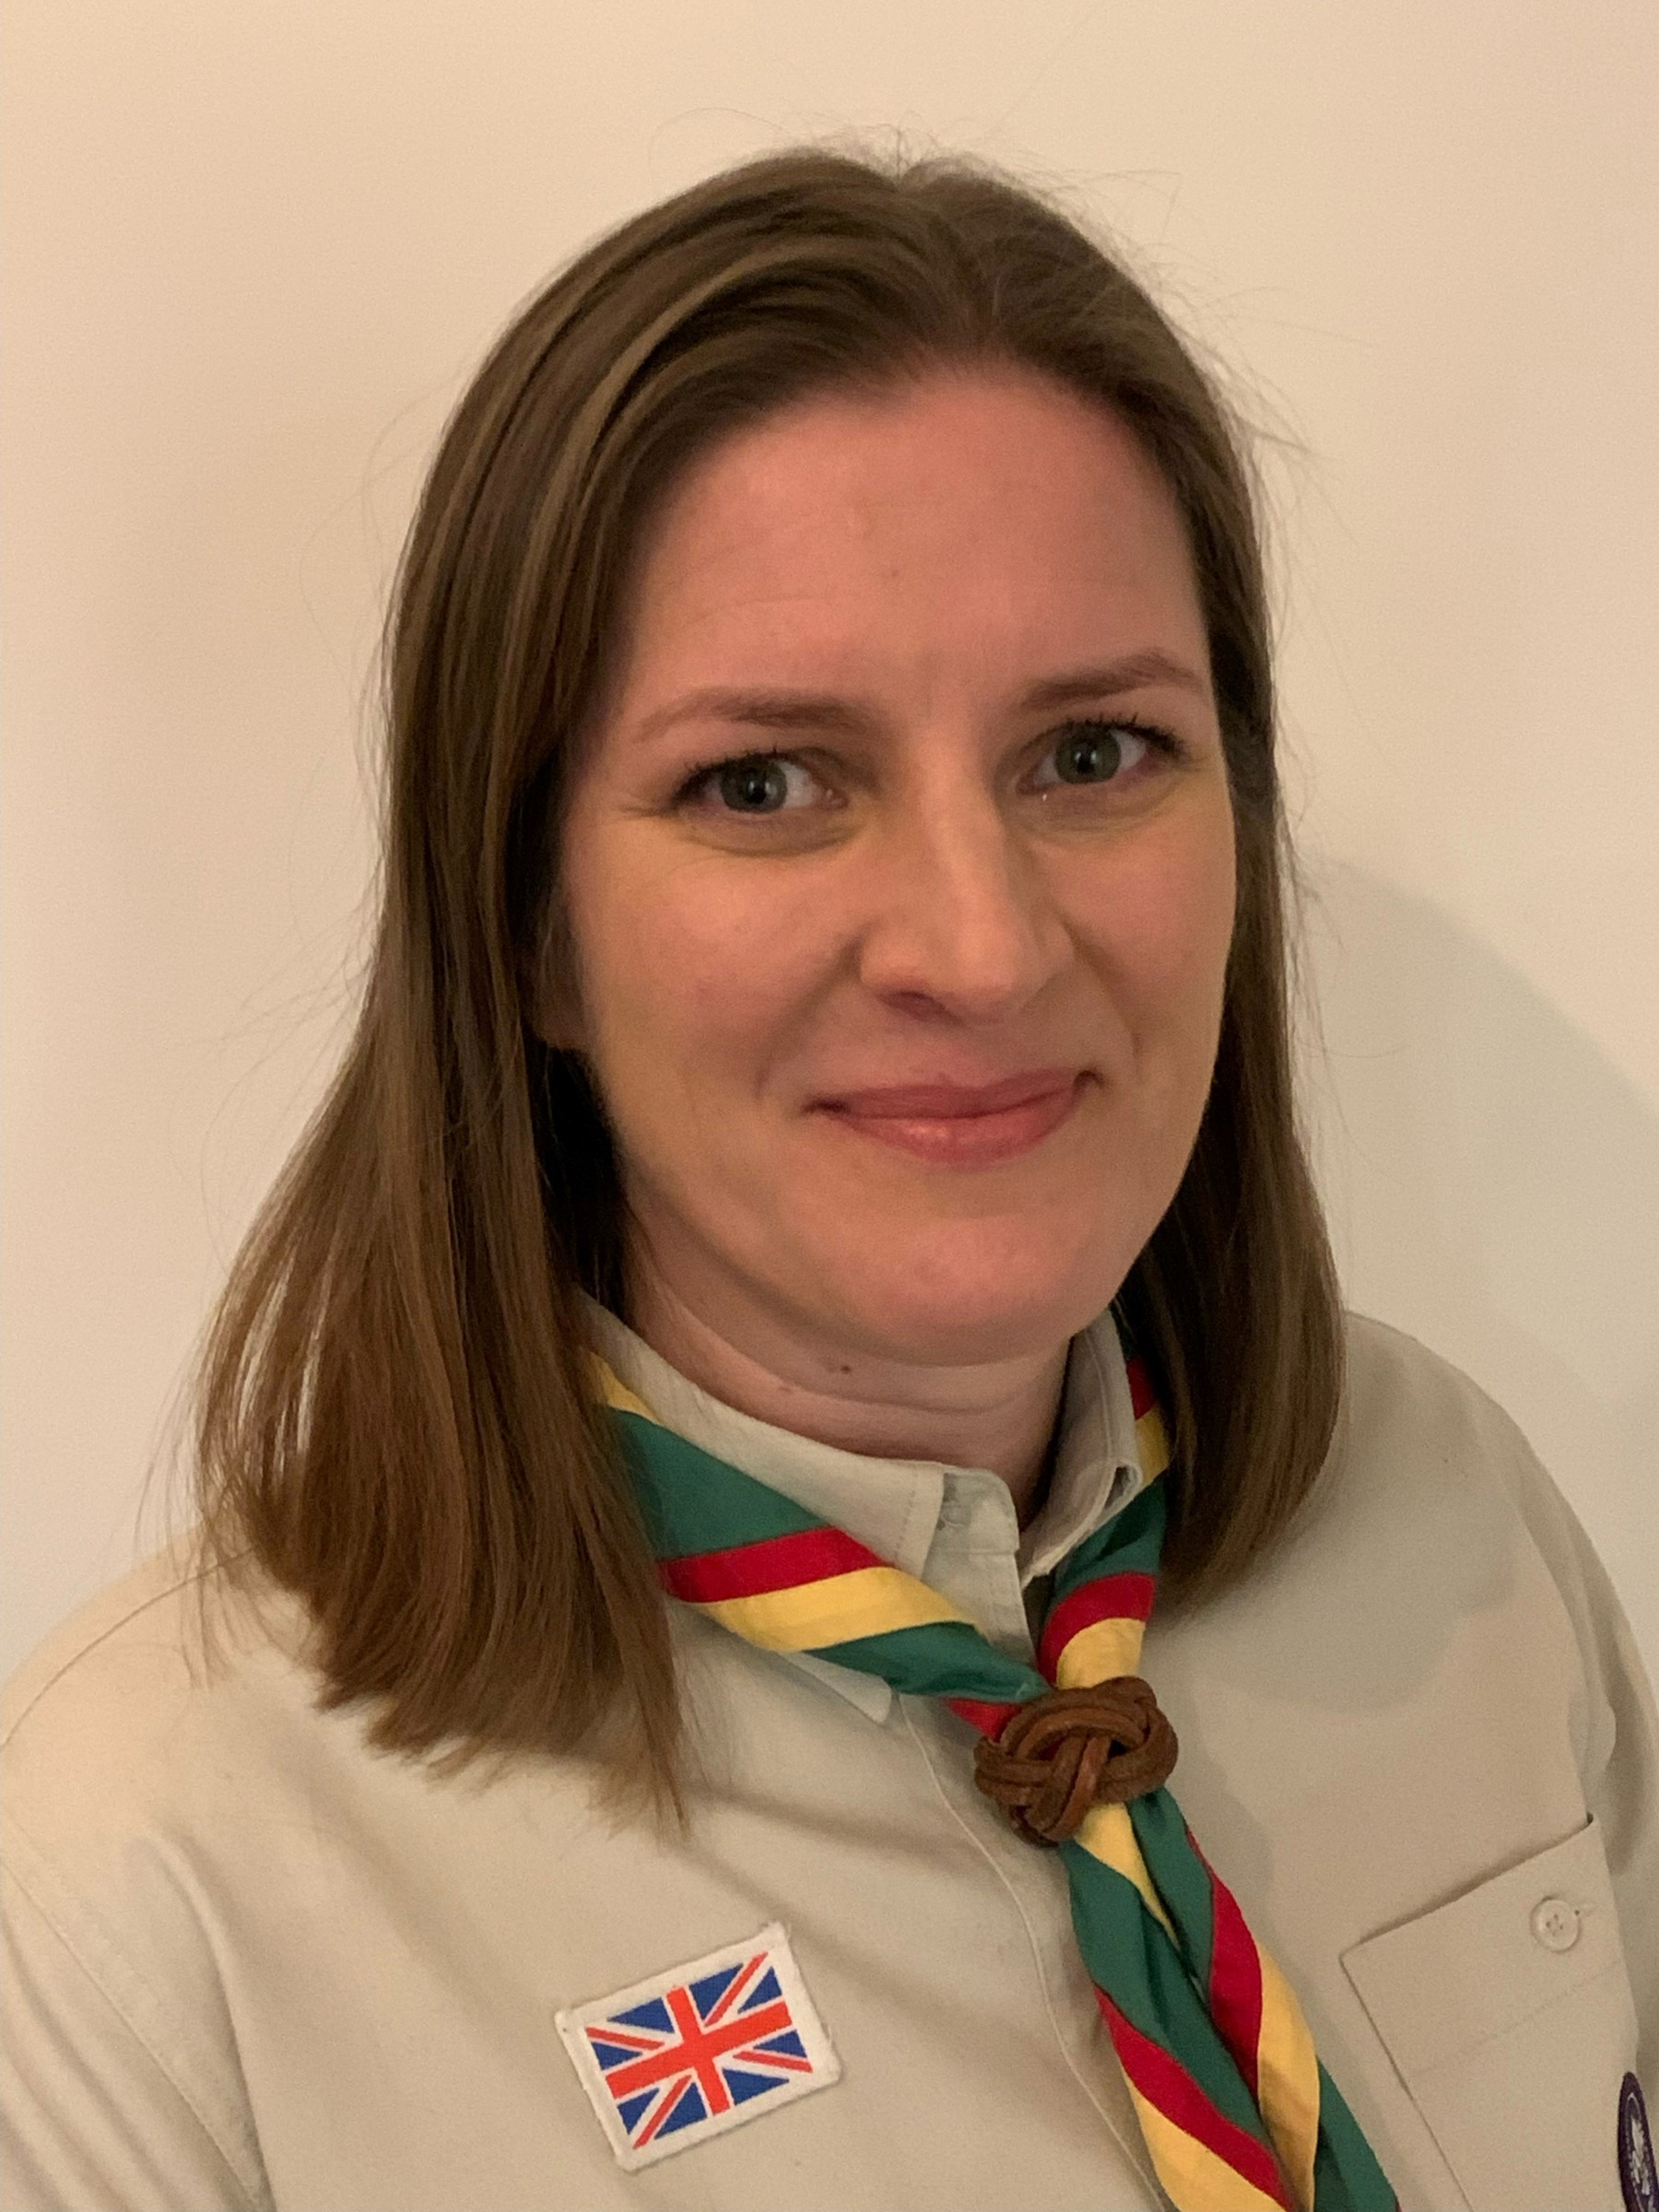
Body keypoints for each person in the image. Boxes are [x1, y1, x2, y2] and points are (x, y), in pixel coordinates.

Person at [2, 140, 1654, 2212]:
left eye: (1092, 752)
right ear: (524, 926)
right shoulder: (149, 1882)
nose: (979, 944)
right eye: (764, 782)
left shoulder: (1452, 1518)